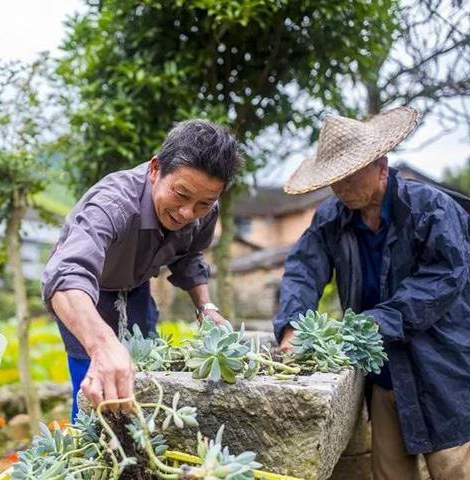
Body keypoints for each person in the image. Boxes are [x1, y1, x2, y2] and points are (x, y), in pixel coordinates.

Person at [274, 106, 470, 479]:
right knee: (390, 473)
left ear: (381, 166)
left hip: (442, 370)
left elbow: (443, 278)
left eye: (349, 176)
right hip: (384, 376)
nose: (341, 188)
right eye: (334, 179)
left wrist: (371, 324)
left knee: (454, 470)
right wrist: (292, 325)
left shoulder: (431, 209)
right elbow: (303, 270)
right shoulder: (332, 217)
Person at [42, 119, 242, 420]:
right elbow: (65, 276)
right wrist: (101, 344)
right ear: (155, 169)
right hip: (86, 295)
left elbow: (188, 255)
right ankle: (87, 452)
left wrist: (206, 307)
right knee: (97, 386)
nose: (188, 213)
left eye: (203, 203)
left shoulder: (205, 208)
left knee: (146, 375)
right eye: (181, 195)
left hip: (136, 288)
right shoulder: (111, 205)